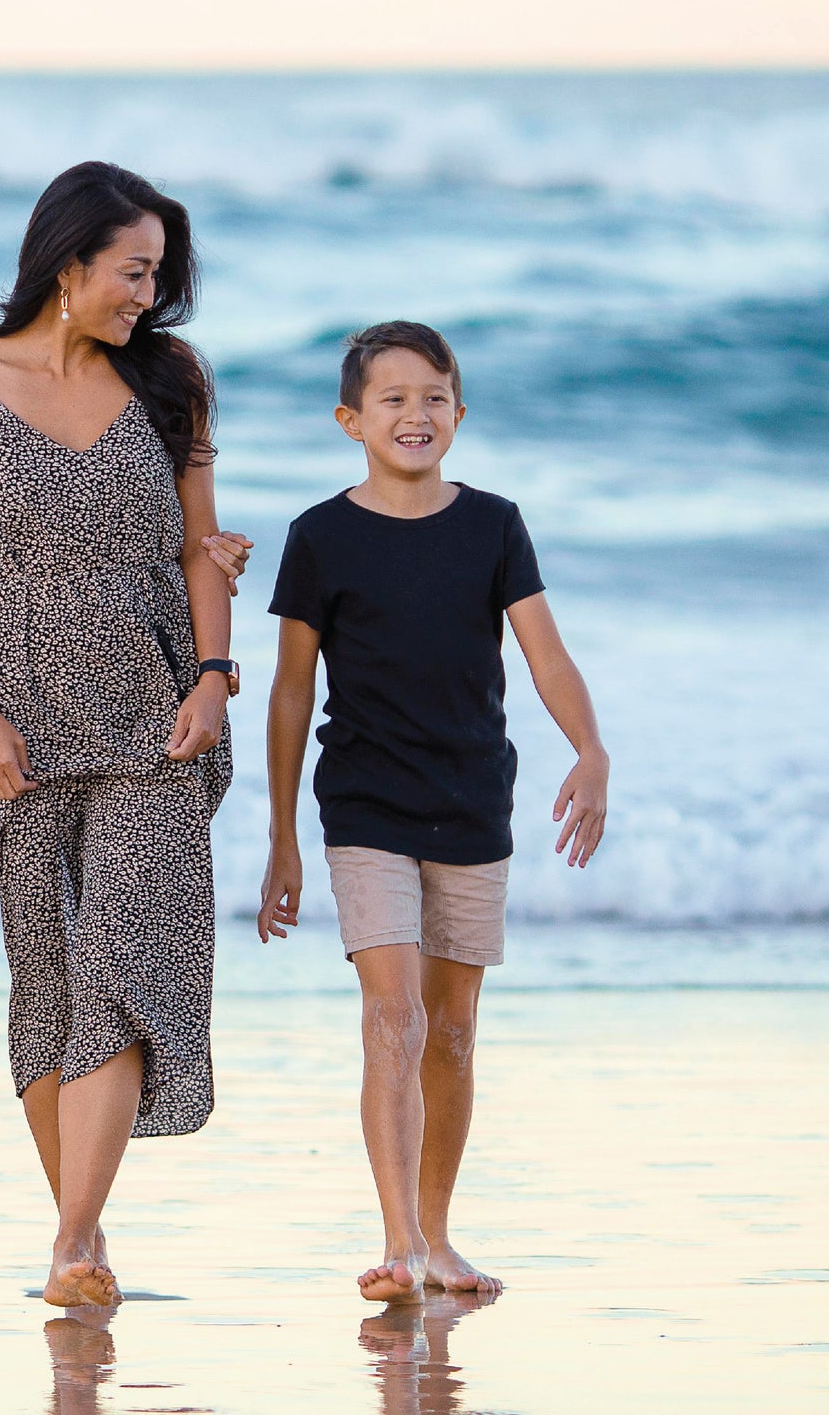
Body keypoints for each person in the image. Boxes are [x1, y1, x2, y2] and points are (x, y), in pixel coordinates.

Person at [0, 159, 240, 1311]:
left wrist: (214, 675)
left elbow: (200, 547)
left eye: (157, 277)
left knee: (125, 958)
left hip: (156, 703)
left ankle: (77, 1237)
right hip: (22, 708)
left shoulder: (172, 379)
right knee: (43, 976)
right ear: (68, 260)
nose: (147, 296)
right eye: (132, 272)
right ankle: (77, 1247)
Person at [254, 321, 611, 1302]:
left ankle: (440, 1236)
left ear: (461, 412)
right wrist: (282, 833)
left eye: (434, 397)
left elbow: (545, 653)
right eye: (393, 399)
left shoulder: (494, 525)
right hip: (364, 806)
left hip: (472, 804)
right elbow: (291, 693)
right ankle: (399, 1241)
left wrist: (590, 749)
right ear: (350, 420)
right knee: (394, 1015)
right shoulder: (320, 536)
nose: (416, 414)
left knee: (453, 1031)